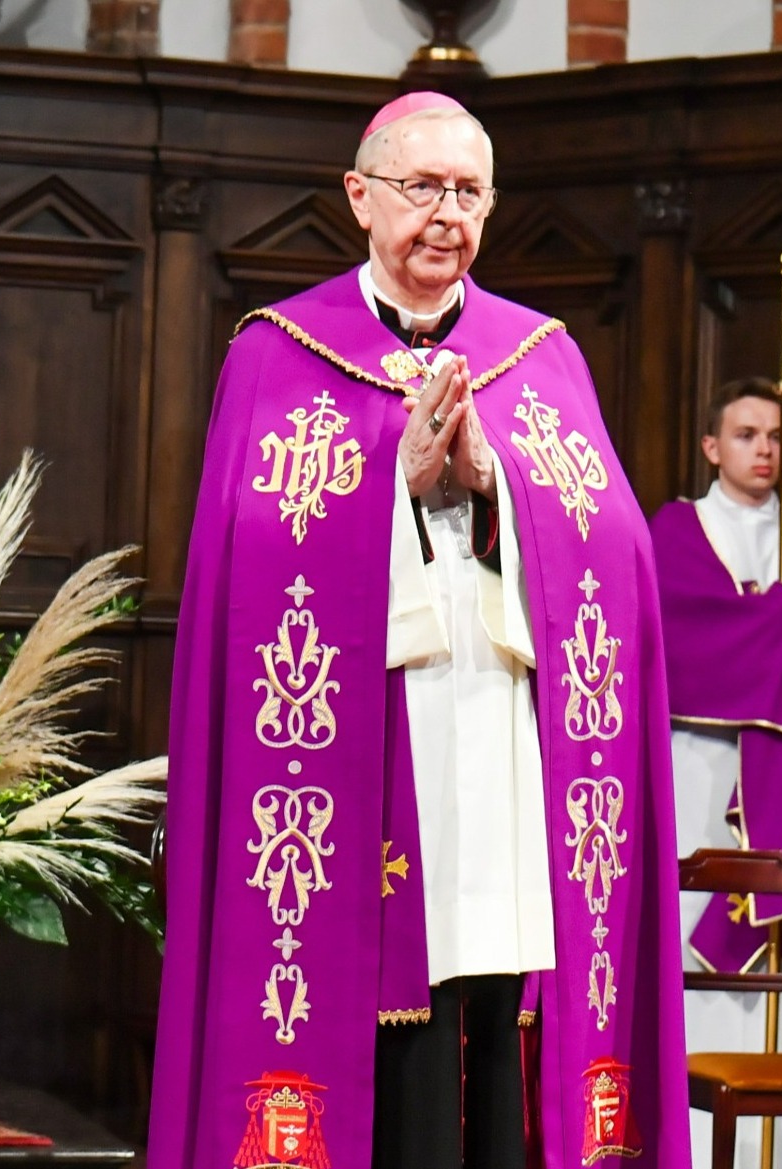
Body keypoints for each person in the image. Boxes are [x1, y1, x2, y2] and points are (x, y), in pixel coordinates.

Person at [148, 91, 690, 1169]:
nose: (446, 214)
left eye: (469, 191)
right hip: (356, 744)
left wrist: (499, 493)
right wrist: (384, 490)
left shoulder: (540, 357)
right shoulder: (278, 353)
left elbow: (621, 558)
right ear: (359, 196)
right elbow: (239, 563)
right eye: (422, 187)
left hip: (492, 742)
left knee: (492, 999)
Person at [653, 378, 782, 1169]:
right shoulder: (674, 533)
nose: (765, 449)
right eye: (746, 434)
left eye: (775, 435)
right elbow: (667, 641)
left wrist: (781, 635)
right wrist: (772, 633)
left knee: (778, 979)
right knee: (685, 959)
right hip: (694, 776)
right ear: (712, 446)